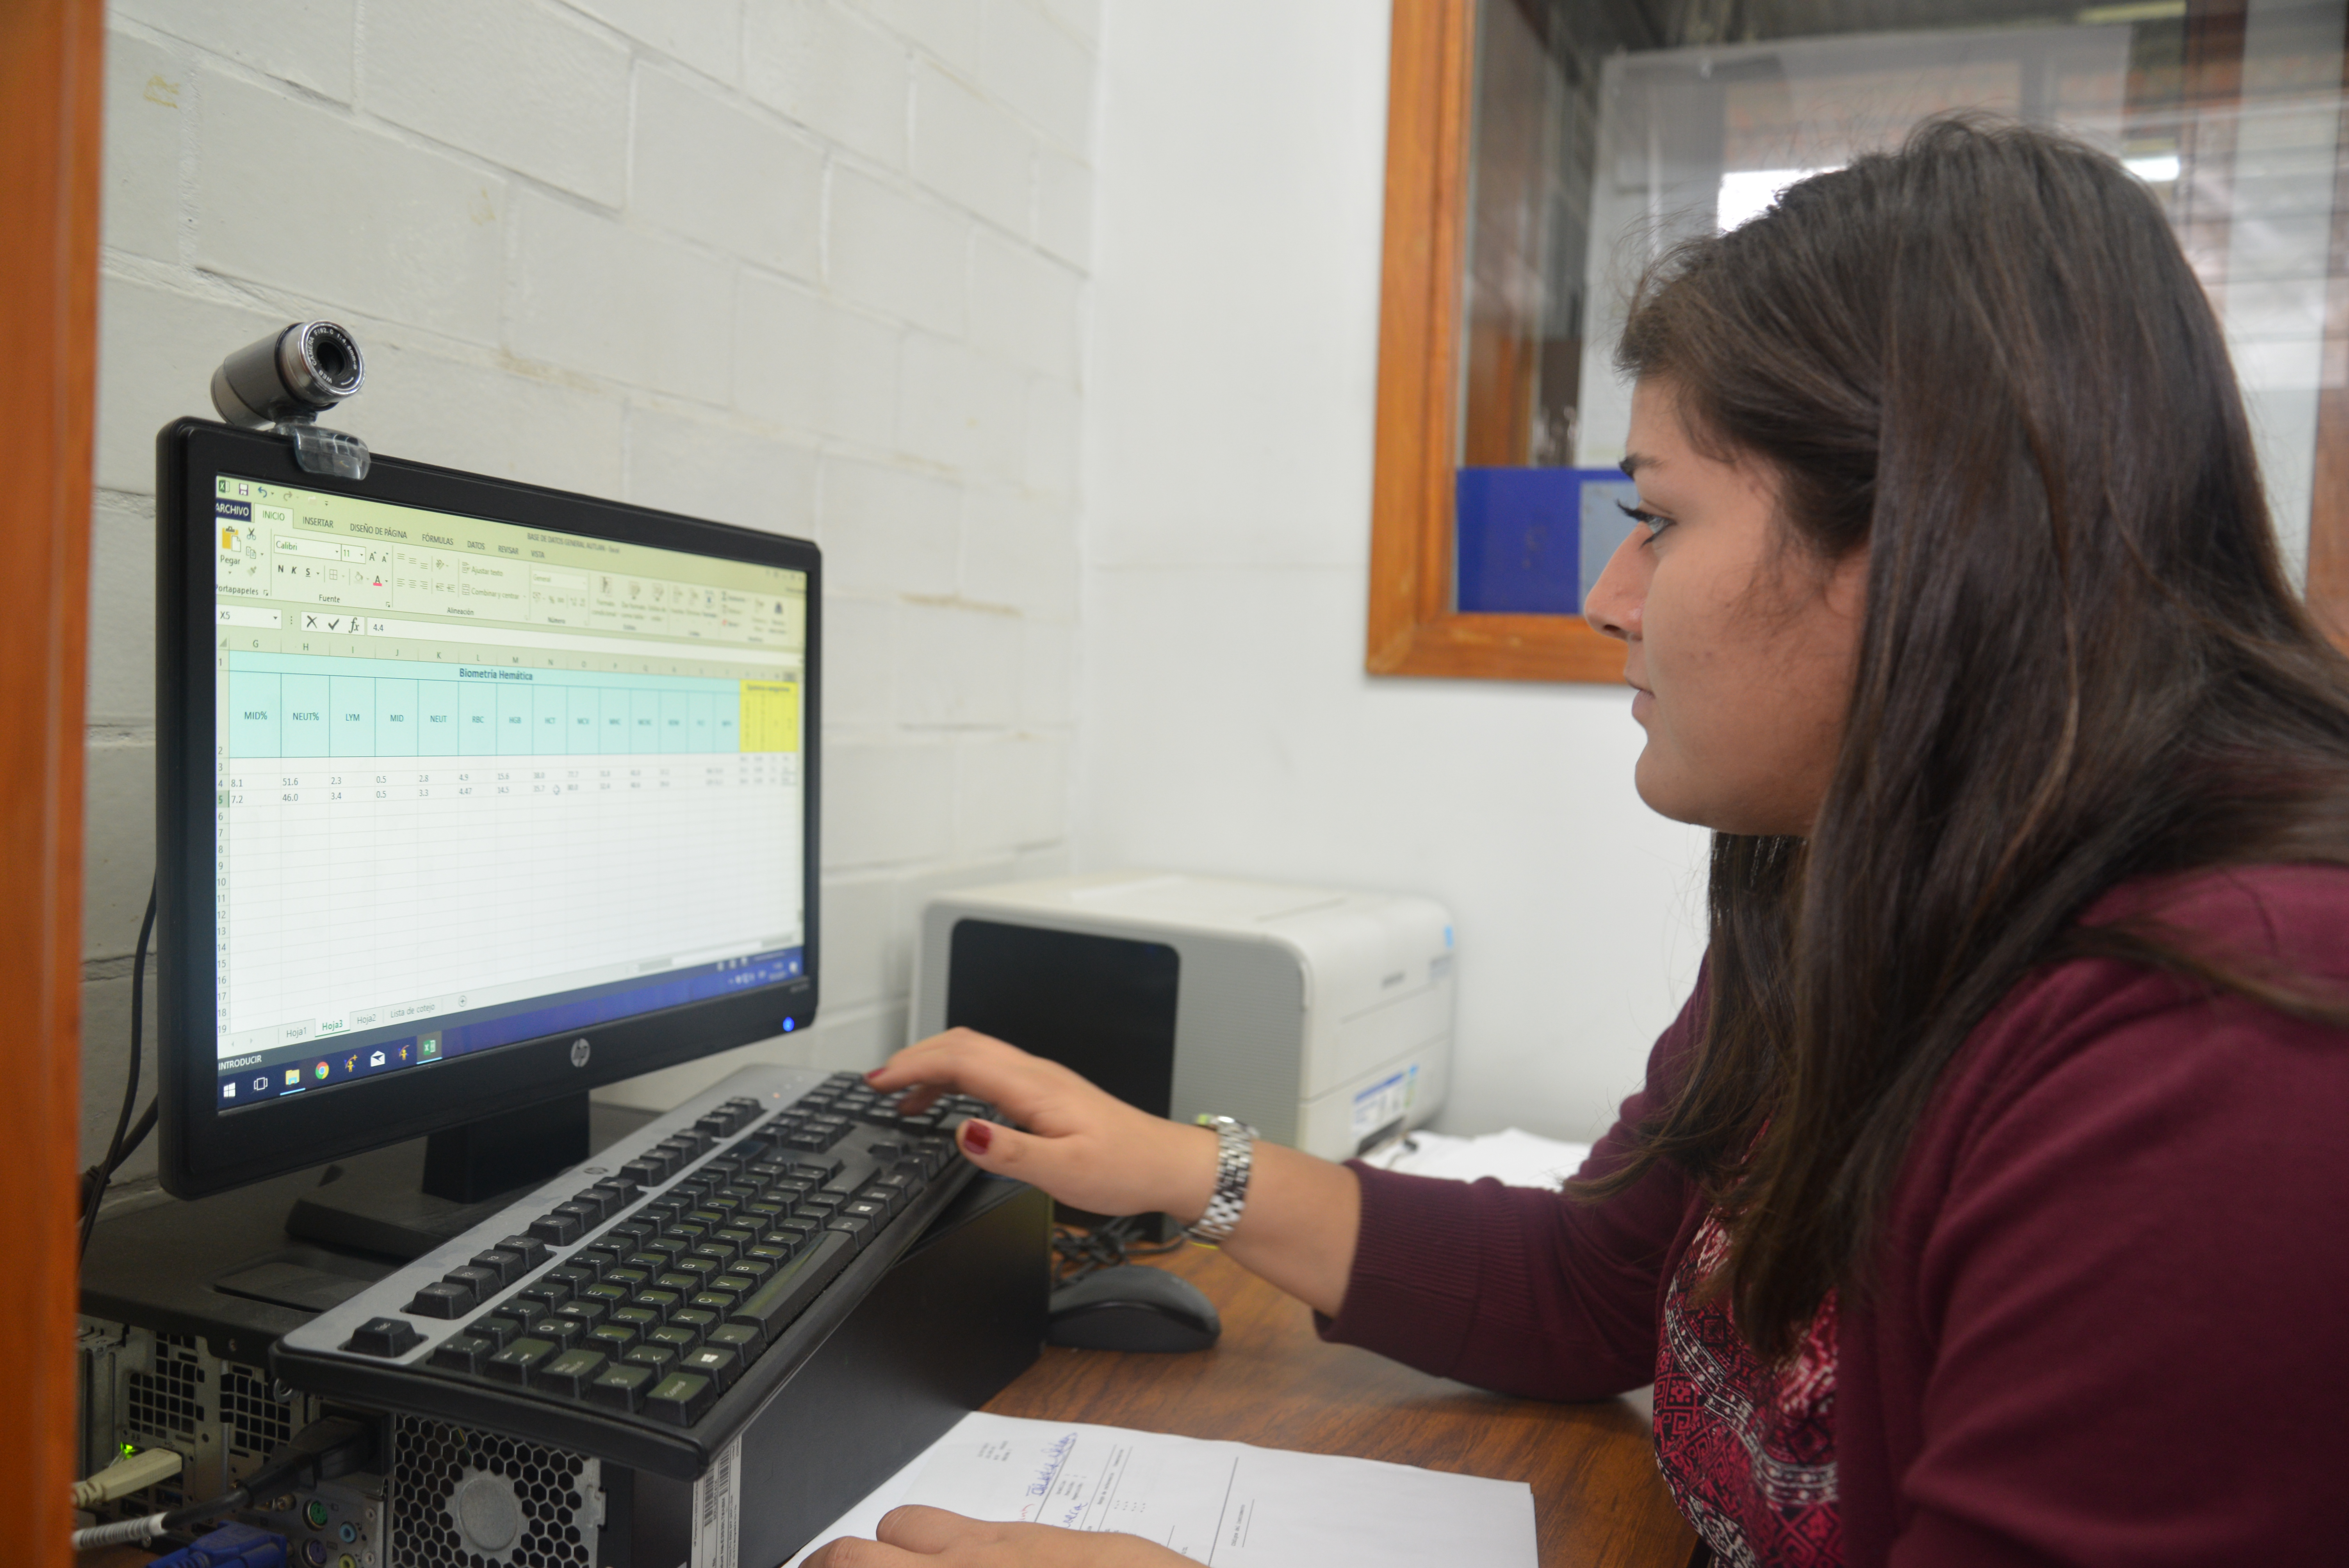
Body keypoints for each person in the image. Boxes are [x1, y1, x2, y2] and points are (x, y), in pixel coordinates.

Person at [804, 118, 2349, 1567]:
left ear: (1920, 546)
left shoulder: (2228, 1057)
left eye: (1659, 517)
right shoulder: (1854, 879)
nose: (1609, 596)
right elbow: (1600, 1285)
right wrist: (1173, 1161)